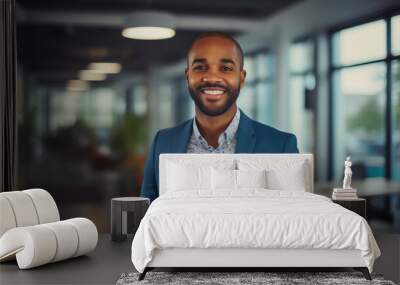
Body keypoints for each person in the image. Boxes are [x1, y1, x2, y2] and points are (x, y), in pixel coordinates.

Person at [140, 32, 299, 201]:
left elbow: (294, 220)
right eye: (200, 68)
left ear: (241, 78)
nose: (212, 78)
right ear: (188, 77)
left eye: (226, 69)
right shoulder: (163, 142)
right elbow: (147, 216)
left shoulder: (280, 146)